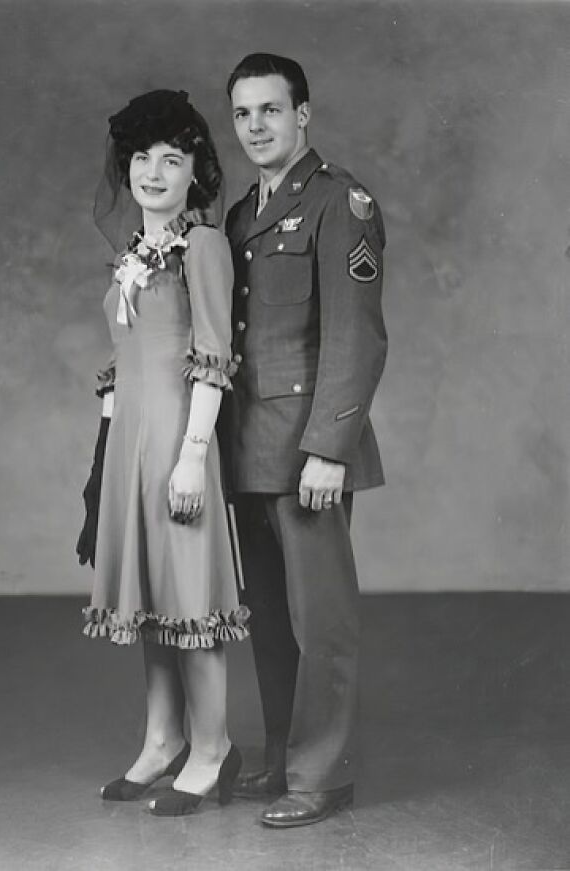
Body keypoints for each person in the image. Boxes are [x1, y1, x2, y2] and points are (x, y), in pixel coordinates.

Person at [223, 53, 388, 828]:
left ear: (303, 114)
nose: (256, 126)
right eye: (243, 113)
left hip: (307, 452)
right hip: (251, 450)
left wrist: (330, 447)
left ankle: (322, 774)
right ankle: (284, 756)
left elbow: (356, 336)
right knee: (269, 617)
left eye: (270, 110)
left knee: (320, 621)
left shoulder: (339, 203)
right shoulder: (241, 215)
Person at [79, 89, 247, 817]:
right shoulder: (133, 257)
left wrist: (192, 456)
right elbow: (124, 363)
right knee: (152, 601)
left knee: (190, 599)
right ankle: (161, 740)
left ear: (193, 172)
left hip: (180, 443)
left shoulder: (202, 246)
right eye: (142, 158)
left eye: (171, 159)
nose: (153, 172)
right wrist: (102, 467)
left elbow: (213, 353)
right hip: (131, 449)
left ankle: (212, 749)